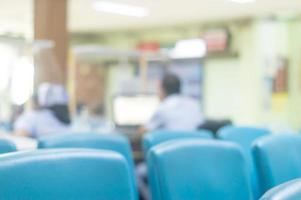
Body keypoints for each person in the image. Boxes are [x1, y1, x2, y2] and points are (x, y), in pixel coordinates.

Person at [137, 73, 203, 200]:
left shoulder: (163, 107)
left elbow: (144, 131)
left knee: (136, 173)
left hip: (170, 161)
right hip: (193, 160)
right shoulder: (194, 104)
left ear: (162, 90)